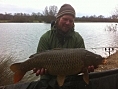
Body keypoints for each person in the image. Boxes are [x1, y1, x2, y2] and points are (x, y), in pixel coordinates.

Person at [28, 4, 94, 89]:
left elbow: (81, 68)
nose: (67, 23)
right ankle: (22, 68)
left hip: (71, 80)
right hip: (48, 80)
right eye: (65, 19)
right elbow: (38, 65)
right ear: (58, 19)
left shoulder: (78, 39)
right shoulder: (46, 38)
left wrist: (86, 69)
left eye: (71, 21)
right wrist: (40, 70)